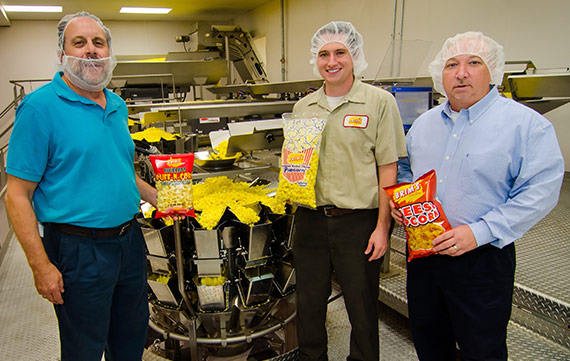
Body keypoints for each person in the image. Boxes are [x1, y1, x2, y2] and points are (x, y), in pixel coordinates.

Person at [393, 31, 564, 361]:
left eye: (474, 62)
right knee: (429, 344)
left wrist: (479, 232)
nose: (461, 72)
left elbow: (540, 190)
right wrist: (402, 202)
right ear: (439, 74)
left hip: (482, 261)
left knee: (482, 350)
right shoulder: (424, 125)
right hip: (423, 259)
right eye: (451, 64)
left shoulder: (524, 125)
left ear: (494, 71)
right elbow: (405, 170)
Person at [5, 11, 157, 361]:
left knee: (131, 339)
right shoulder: (39, 108)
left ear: (108, 53)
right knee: (84, 349)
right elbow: (17, 195)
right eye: (79, 42)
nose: (91, 50)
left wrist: (156, 195)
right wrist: (40, 266)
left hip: (129, 243)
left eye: (98, 42)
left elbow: (117, 167)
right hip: (78, 249)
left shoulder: (116, 104)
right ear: (62, 55)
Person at [291, 21, 407, 361]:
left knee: (361, 306)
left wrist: (383, 227)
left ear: (354, 56)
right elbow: (298, 166)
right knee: (309, 305)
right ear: (316, 59)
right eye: (324, 54)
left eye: (340, 52)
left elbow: (388, 169)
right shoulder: (304, 107)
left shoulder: (379, 103)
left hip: (358, 221)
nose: (332, 61)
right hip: (310, 219)